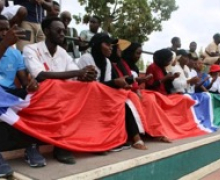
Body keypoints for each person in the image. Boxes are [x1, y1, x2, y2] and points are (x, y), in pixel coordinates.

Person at [23, 17, 97, 164]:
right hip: (38, 95)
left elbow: (75, 74)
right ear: (46, 31)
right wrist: (78, 73)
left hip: (61, 96)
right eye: (59, 30)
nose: (63, 34)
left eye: (64, 30)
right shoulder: (30, 49)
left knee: (93, 87)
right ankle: (61, 146)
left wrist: (87, 75)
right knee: (54, 86)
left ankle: (94, 137)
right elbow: (41, 75)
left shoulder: (63, 52)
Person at [78, 33, 147, 150]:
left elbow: (105, 85)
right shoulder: (86, 58)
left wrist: (119, 84)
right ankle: (128, 138)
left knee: (122, 100)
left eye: (111, 45)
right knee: (118, 97)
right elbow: (87, 84)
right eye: (107, 44)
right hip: (85, 94)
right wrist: (115, 82)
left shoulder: (107, 62)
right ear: (97, 45)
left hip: (100, 93)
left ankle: (118, 138)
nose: (111, 47)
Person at [0, 15, 45, 178]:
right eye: (1, 29)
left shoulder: (15, 53)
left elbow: (24, 81)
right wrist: (4, 44)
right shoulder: (6, 46)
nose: (4, 33)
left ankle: (31, 146)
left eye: (7, 29)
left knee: (39, 94)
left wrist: (30, 84)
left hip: (8, 95)